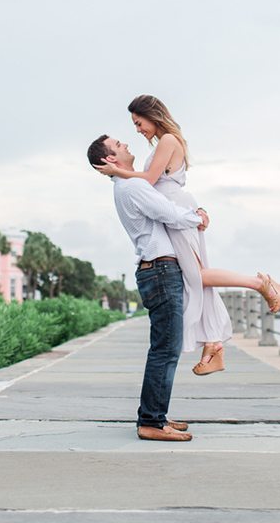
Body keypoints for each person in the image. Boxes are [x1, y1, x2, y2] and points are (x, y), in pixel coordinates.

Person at [95, 94, 280, 376]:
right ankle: (213, 344)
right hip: (176, 209)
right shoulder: (166, 142)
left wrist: (116, 172)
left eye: (138, 122)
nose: (137, 130)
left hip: (176, 210)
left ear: (151, 114)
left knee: (195, 275)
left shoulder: (168, 140)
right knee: (194, 277)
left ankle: (259, 284)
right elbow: (152, 184)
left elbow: (148, 181)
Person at [87, 134, 209, 442]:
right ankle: (152, 421)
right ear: (111, 159)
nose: (126, 144)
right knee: (165, 349)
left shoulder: (127, 185)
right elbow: (167, 213)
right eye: (119, 145)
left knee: (164, 348)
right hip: (160, 270)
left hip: (156, 271)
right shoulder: (132, 186)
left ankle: (156, 415)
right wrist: (199, 217)